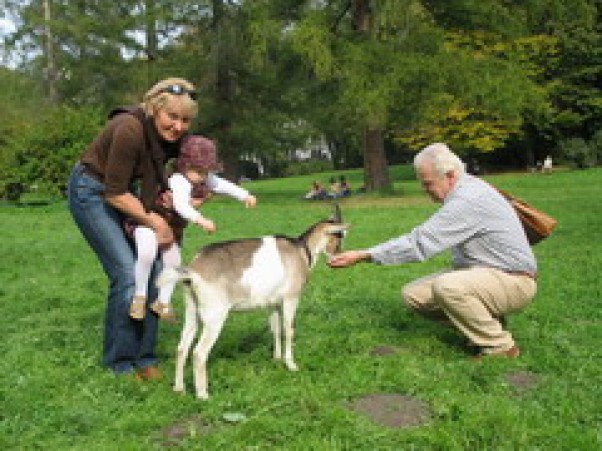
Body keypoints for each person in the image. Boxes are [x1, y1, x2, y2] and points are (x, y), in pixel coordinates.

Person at [328, 143, 537, 359]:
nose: (424, 189)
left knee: (448, 287)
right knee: (414, 295)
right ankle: (484, 328)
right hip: (489, 276)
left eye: (427, 183)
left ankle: (500, 347)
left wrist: (365, 254)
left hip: (514, 281)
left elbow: (420, 242)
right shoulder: (466, 190)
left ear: (450, 175)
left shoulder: (468, 200)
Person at [67, 78, 198, 380]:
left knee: (154, 270)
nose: (178, 126)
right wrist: (154, 221)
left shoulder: (170, 137)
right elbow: (114, 192)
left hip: (129, 193)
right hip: (93, 192)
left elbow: (177, 177)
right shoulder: (129, 128)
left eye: (185, 120)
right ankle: (121, 363)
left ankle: (145, 357)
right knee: (127, 273)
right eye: (172, 117)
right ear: (155, 109)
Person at [128, 135, 257, 322]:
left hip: (171, 227)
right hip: (148, 220)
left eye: (206, 171)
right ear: (184, 166)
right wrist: (200, 220)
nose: (203, 177)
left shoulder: (202, 177)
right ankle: (139, 297)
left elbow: (222, 185)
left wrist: (244, 195)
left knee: (174, 261)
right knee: (146, 252)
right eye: (199, 171)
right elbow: (181, 205)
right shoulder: (179, 180)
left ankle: (162, 302)